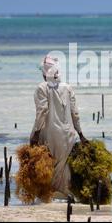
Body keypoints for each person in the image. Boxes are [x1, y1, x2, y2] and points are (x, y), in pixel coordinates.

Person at [30, 54, 88, 196]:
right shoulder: (67, 88)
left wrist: (35, 134)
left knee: (49, 167)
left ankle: (54, 197)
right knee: (63, 168)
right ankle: (65, 197)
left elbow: (42, 112)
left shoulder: (41, 88)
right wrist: (80, 134)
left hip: (50, 135)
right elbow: (75, 113)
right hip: (69, 135)